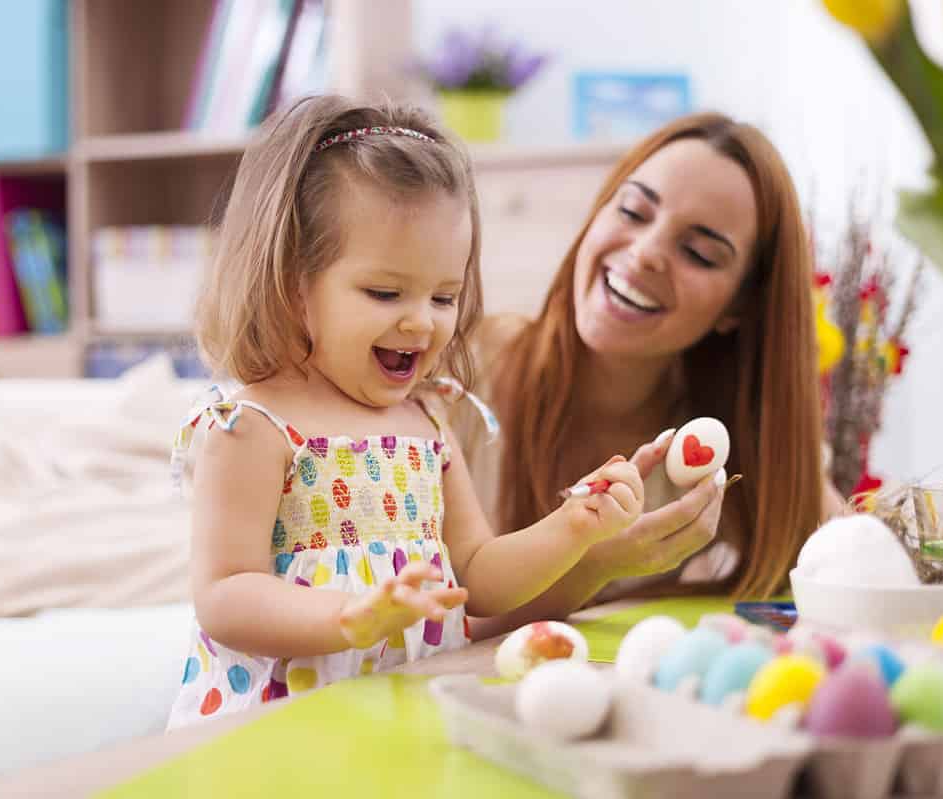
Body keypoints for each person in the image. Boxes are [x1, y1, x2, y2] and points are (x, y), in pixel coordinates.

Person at [166, 95, 643, 728]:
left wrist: (575, 527)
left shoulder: (427, 423)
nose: (421, 321)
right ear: (291, 283)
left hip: (403, 714)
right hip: (284, 725)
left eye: (444, 296)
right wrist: (347, 616)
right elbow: (224, 594)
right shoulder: (254, 426)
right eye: (385, 292)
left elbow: (478, 574)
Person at [451, 112, 847, 637]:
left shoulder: (715, 444)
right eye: (634, 210)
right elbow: (424, 630)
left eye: (699, 253)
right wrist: (596, 563)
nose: (646, 253)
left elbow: (858, 565)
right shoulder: (457, 371)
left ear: (740, 308)